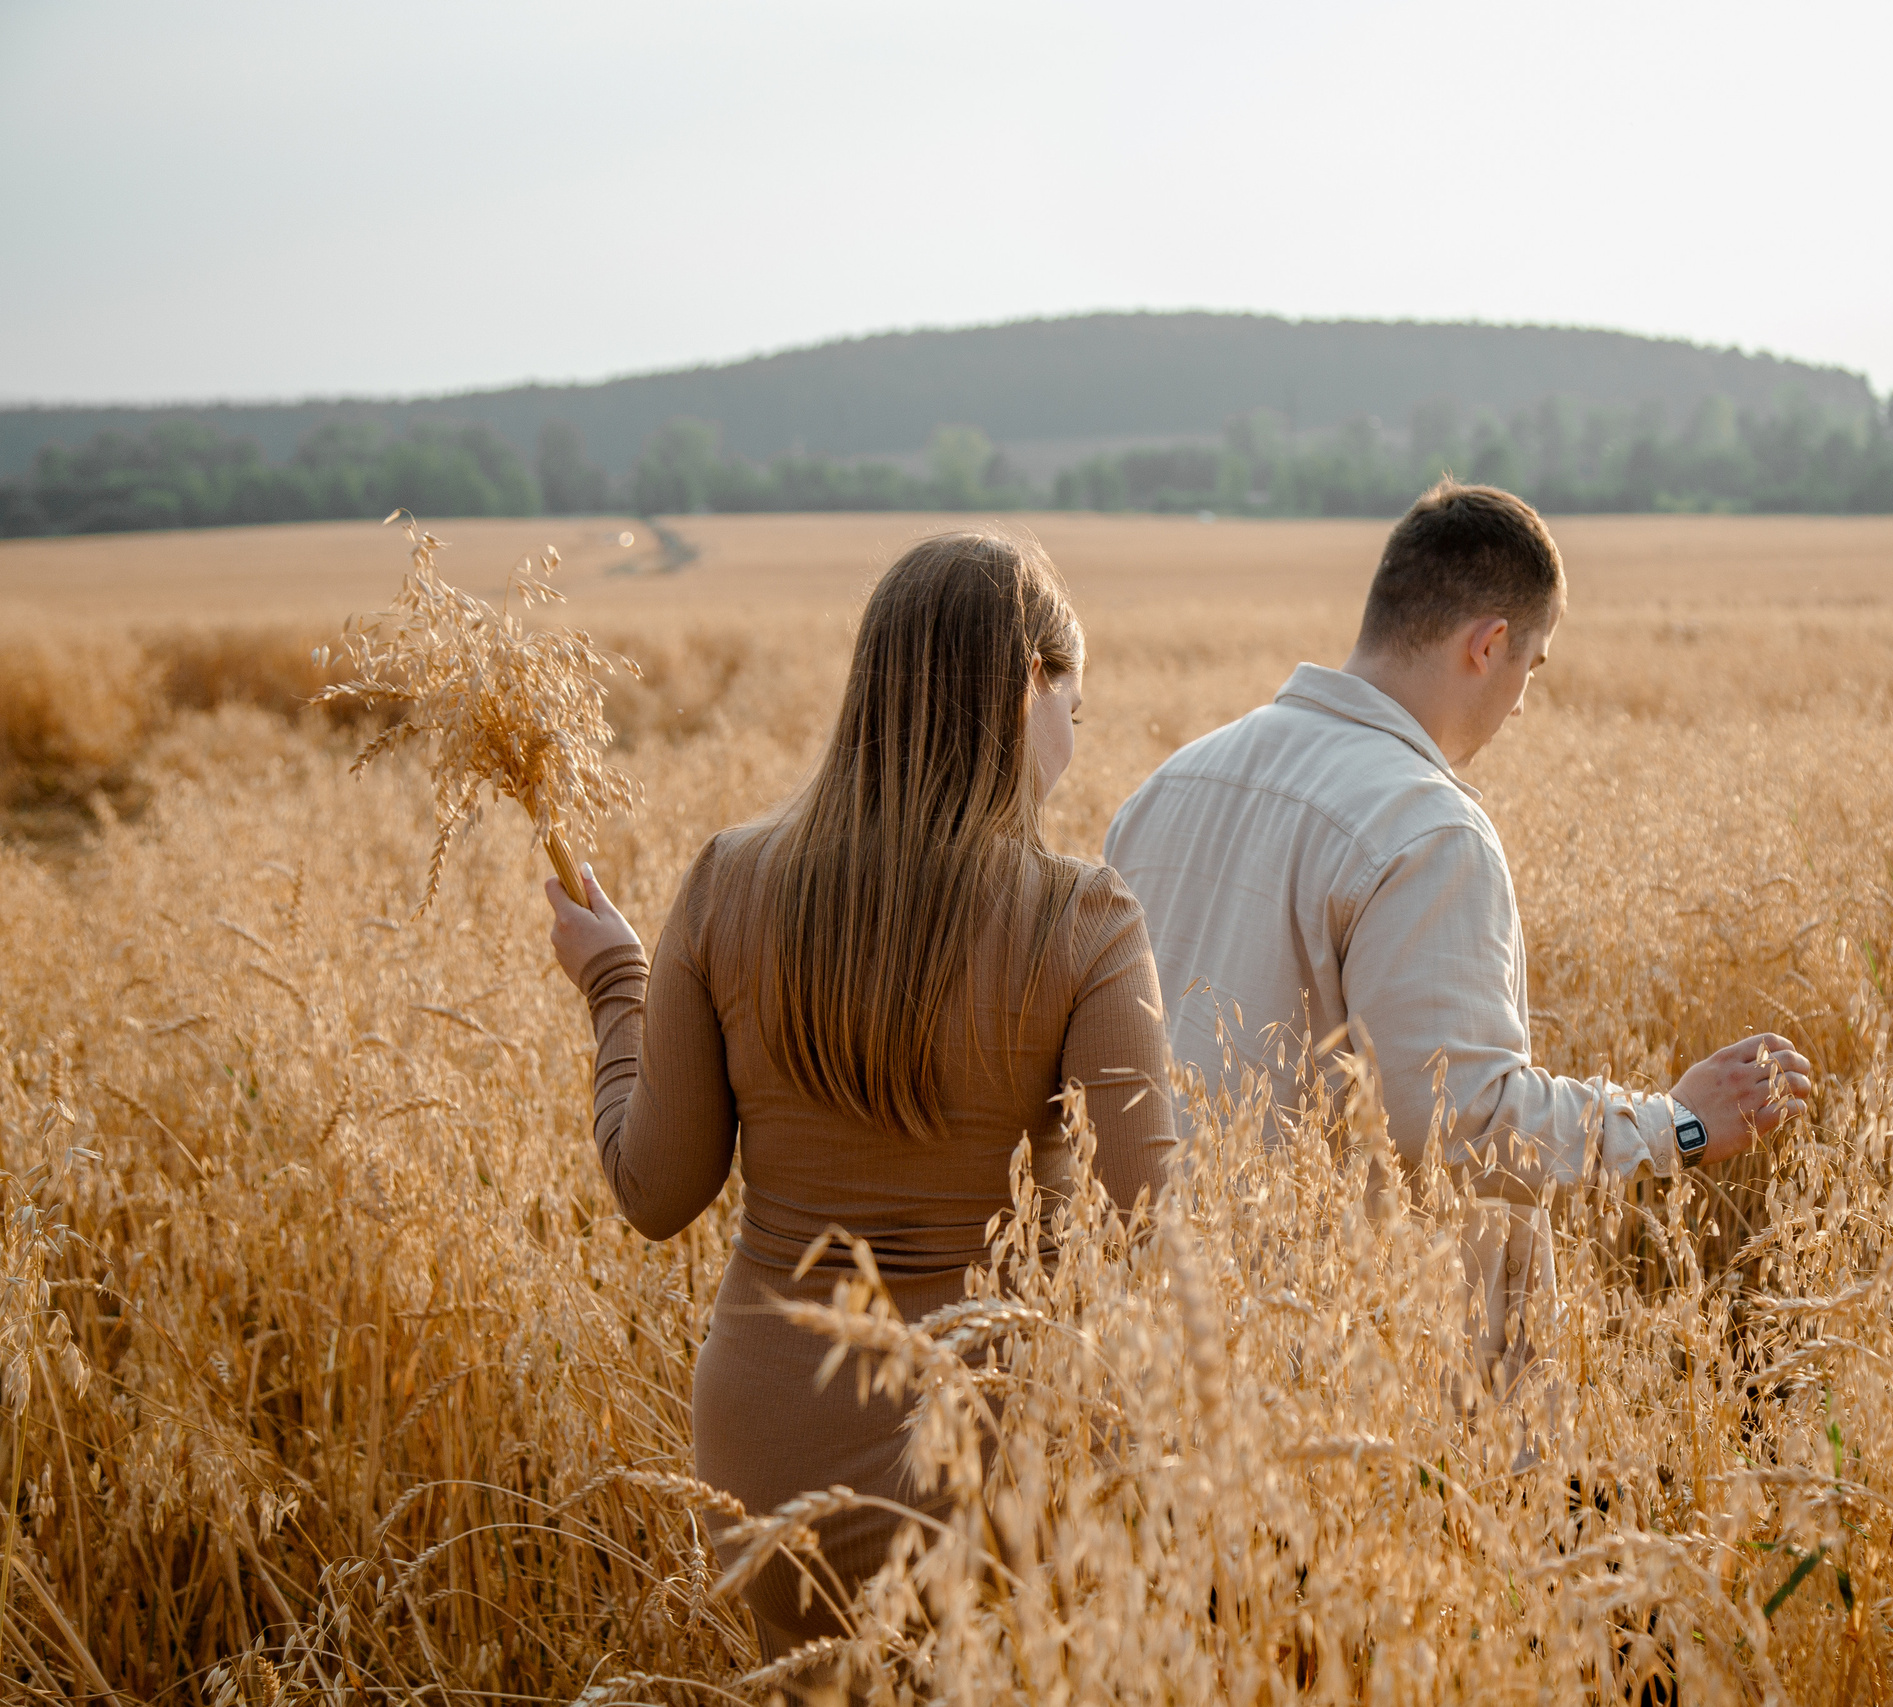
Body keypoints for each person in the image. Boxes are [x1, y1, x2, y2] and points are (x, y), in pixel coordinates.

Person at [544, 532, 1176, 1654]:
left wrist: (613, 981)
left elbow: (653, 1192)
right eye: (1077, 702)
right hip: (982, 1436)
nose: (1077, 738)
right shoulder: (1083, 921)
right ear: (1030, 684)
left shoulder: (727, 880)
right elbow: (1147, 1236)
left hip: (760, 1441)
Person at [1104, 479, 1809, 1383]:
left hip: (1155, 1335)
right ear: (1491, 644)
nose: (1521, 701)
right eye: (1534, 666)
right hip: (1335, 1368)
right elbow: (1460, 1123)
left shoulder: (1168, 785)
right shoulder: (1428, 829)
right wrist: (1680, 1125)